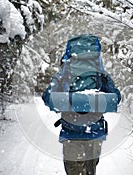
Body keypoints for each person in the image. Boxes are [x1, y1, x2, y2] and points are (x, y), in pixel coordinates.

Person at [42, 34, 121, 175]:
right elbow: (116, 98)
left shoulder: (63, 74)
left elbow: (48, 98)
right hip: (95, 133)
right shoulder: (100, 73)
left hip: (71, 132)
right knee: (90, 171)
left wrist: (69, 101)